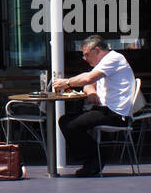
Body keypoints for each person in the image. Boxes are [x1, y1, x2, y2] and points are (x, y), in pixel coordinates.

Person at [55, 36, 136, 177]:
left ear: (97, 50)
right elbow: (89, 83)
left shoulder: (114, 59)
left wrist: (67, 82)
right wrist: (92, 91)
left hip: (115, 113)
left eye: (86, 54)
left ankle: (96, 158)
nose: (84, 59)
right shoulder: (103, 62)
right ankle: (93, 159)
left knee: (69, 123)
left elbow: (88, 78)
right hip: (104, 109)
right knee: (67, 121)